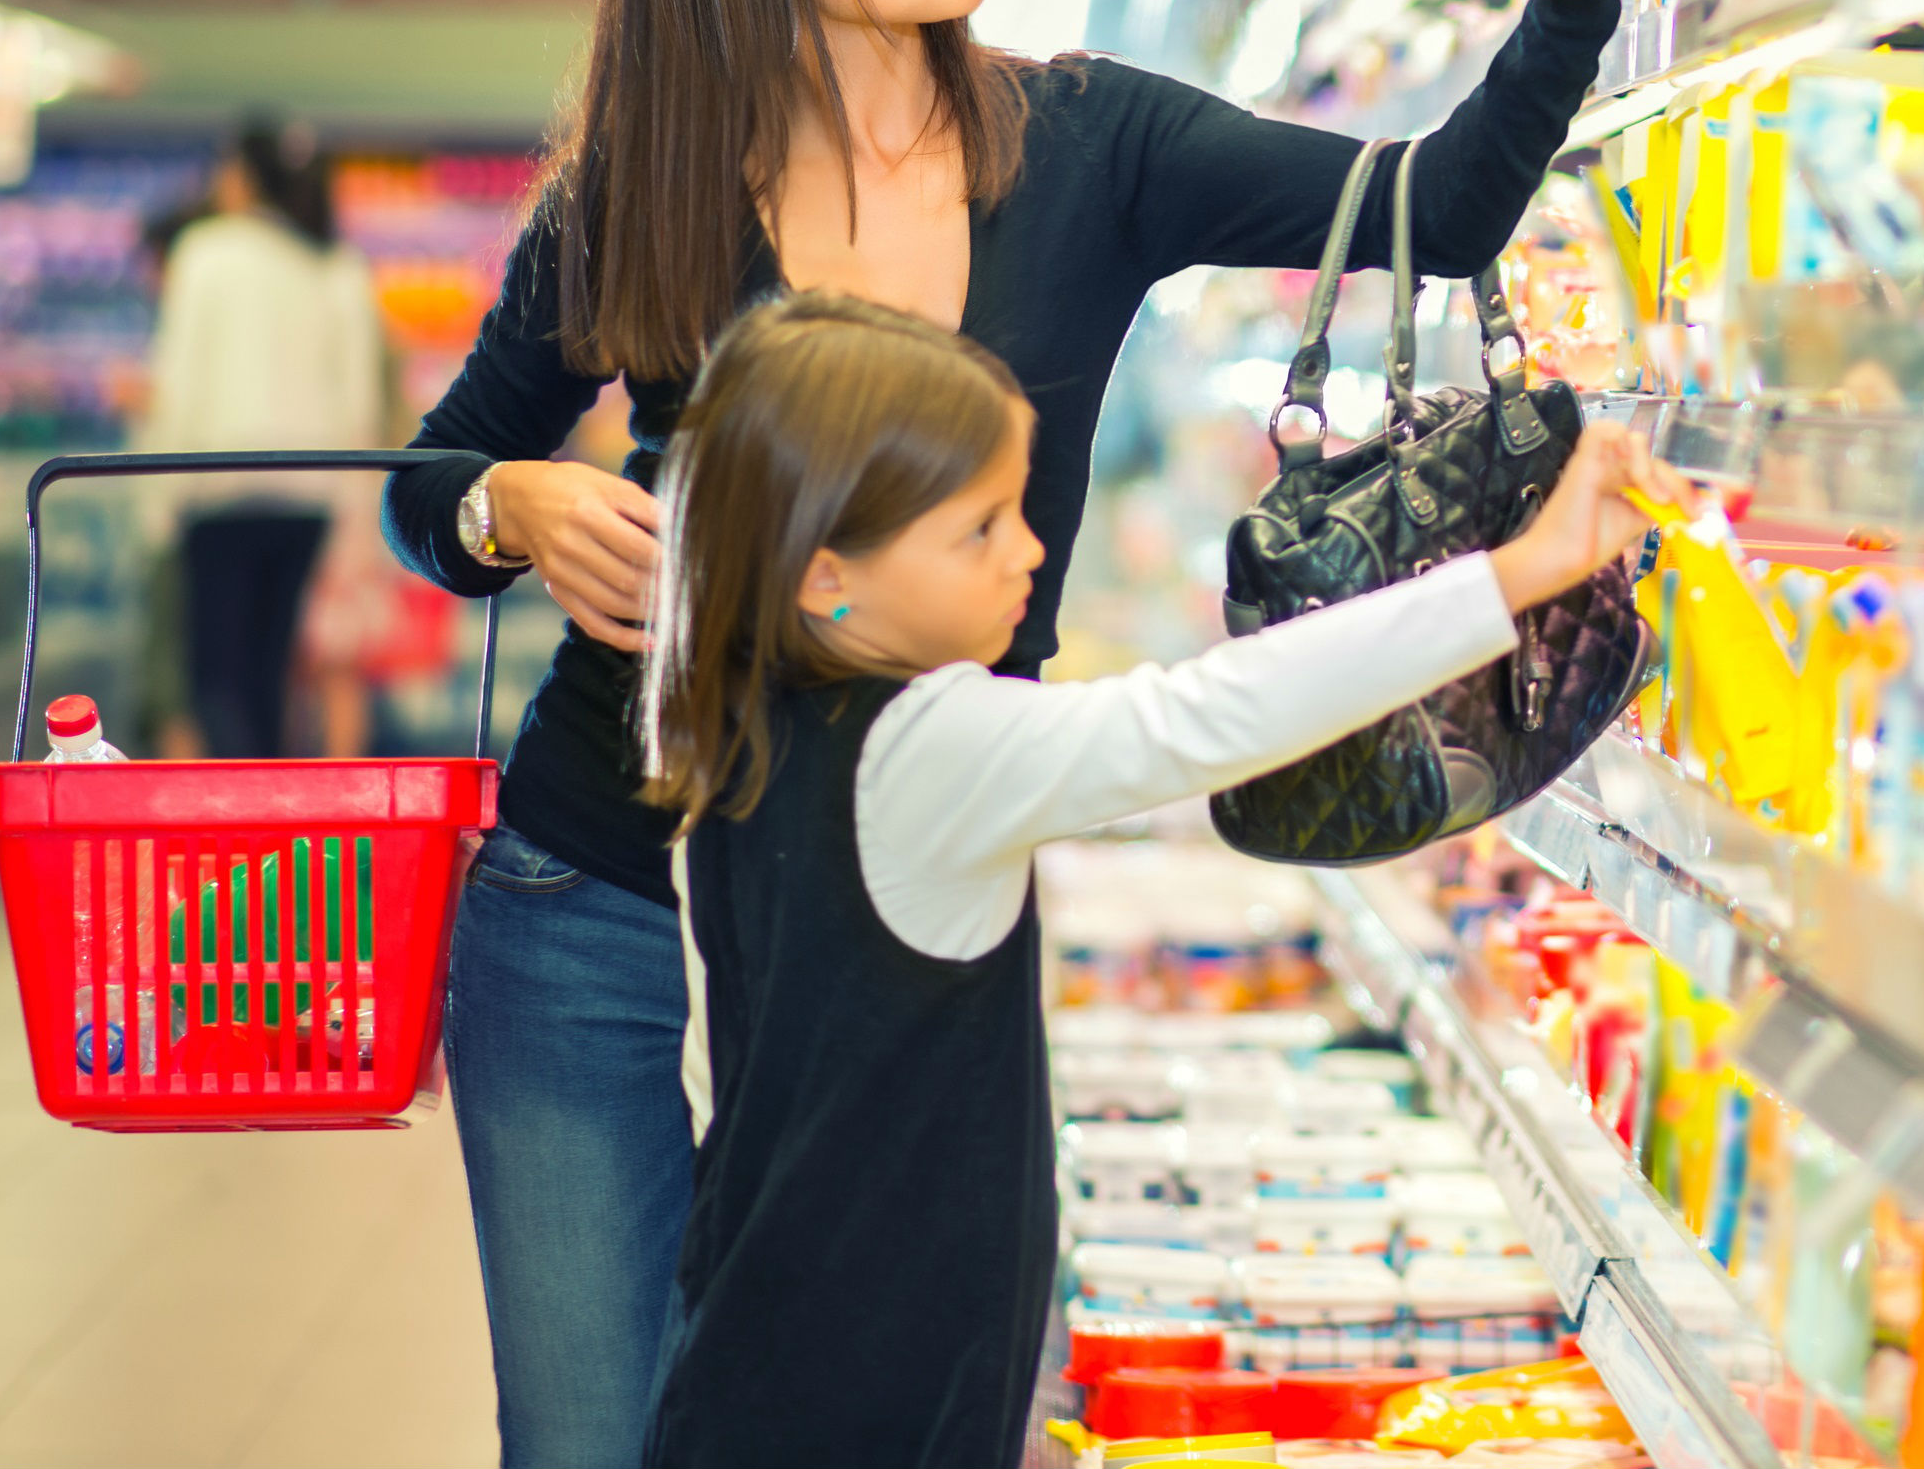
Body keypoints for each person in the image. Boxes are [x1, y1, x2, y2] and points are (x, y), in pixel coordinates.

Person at [380, 0, 1646, 1466]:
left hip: (888, 896)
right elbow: (428, 484)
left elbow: (1432, 212)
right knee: (592, 1438)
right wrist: (513, 503)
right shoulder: (637, 193)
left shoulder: (1085, 146)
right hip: (592, 884)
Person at [630, 294, 1674, 1468]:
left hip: (758, 1360)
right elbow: (1205, 718)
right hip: (883, 1394)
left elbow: (719, 1087)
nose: (1029, 548)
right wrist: (1524, 569)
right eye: (980, 529)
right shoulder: (925, 745)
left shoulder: (736, 739)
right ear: (830, 576)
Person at [143, 115, 387, 761]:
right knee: (271, 673)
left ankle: (233, 834)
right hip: (308, 495)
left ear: (243, 178)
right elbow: (357, 401)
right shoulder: (335, 264)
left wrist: (159, 506)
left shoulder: (205, 253)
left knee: (216, 681)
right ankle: (274, 839)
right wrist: (355, 520)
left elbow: (180, 381)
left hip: (219, 489)